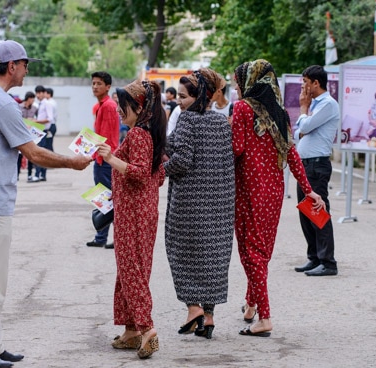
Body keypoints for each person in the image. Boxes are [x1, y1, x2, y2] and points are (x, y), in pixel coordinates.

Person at [0, 40, 92, 368]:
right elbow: (33, 153)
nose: (28, 70)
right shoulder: (3, 103)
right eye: (25, 64)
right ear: (11, 66)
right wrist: (72, 162)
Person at [232, 59, 325, 337]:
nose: (237, 87)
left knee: (251, 253)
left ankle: (265, 317)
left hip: (248, 190)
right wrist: (308, 188)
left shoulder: (242, 110)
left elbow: (236, 149)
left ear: (250, 82)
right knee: (261, 251)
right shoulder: (279, 113)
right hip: (272, 192)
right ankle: (250, 304)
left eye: (238, 81)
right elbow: (292, 154)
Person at [95, 80, 166, 359]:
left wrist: (111, 158)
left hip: (134, 214)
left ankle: (147, 329)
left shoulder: (138, 135)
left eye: (122, 107)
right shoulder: (150, 133)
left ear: (138, 106)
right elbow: (157, 175)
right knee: (130, 270)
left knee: (131, 272)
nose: (118, 112)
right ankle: (131, 330)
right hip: (141, 211)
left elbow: (137, 173)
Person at [164, 68, 234, 340]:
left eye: (183, 96)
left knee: (182, 253)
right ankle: (209, 317)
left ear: (198, 95)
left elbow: (181, 160)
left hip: (190, 203)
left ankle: (193, 309)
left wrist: (159, 171)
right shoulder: (220, 121)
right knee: (213, 257)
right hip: (220, 203)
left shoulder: (187, 120)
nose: (179, 102)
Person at [293, 65, 339, 277]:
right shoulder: (315, 105)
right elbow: (297, 134)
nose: (303, 87)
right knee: (305, 212)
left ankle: (328, 262)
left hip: (317, 165)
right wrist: (304, 120)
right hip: (305, 165)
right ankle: (314, 257)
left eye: (305, 82)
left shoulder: (328, 104)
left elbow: (304, 128)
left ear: (316, 83)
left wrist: (303, 111)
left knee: (318, 211)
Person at [86, 71, 119, 249]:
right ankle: (101, 237)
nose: (95, 86)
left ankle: (114, 237)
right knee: (103, 197)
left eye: (99, 83)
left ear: (108, 86)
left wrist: (90, 154)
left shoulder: (107, 106)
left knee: (108, 198)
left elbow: (104, 136)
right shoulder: (102, 105)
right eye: (93, 83)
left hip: (105, 159)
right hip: (102, 157)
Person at [17, 91, 37, 180]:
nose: (33, 100)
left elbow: (37, 119)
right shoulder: (19, 107)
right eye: (32, 99)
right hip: (21, 133)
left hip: (30, 134)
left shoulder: (35, 108)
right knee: (19, 155)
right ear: (28, 98)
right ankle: (16, 174)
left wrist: (33, 120)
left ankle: (29, 175)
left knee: (31, 155)